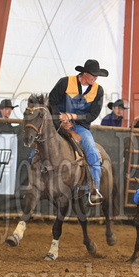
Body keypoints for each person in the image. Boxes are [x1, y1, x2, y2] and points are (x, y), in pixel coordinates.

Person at [48, 59, 108, 204]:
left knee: (92, 152)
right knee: (37, 151)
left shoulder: (98, 90)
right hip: (58, 124)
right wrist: (60, 118)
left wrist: (73, 117)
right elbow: (52, 102)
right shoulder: (65, 82)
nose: (95, 78)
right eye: (93, 75)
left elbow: (92, 115)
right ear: (85, 73)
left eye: (97, 75)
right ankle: (36, 182)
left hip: (80, 127)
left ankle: (93, 190)